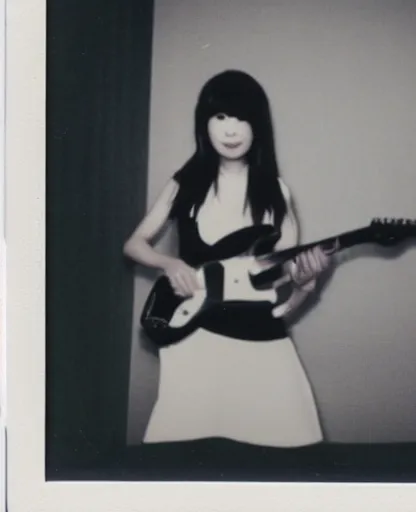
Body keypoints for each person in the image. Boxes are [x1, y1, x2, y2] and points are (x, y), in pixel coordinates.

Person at [123, 69, 331, 448]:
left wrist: (306, 285)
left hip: (261, 339)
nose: (231, 130)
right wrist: (170, 264)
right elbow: (134, 244)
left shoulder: (276, 193)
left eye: (242, 118)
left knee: (285, 454)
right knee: (185, 456)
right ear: (205, 123)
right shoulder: (185, 183)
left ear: (258, 127)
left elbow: (281, 304)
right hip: (194, 336)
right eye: (220, 117)